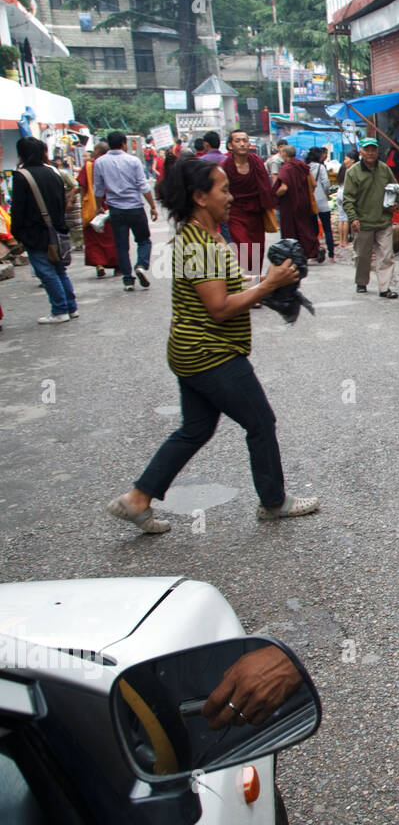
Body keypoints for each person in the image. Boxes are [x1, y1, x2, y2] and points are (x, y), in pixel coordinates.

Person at [106, 158, 320, 535]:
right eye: (223, 189)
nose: (231, 196)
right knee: (261, 423)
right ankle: (274, 502)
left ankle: (136, 500)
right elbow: (219, 308)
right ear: (200, 197)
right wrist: (268, 286)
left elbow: (227, 288)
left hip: (191, 353)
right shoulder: (199, 244)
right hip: (210, 354)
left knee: (195, 430)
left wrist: (269, 284)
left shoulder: (206, 237)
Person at [10, 137, 79, 325]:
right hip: (57, 229)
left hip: (35, 233)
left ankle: (60, 310)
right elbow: (60, 201)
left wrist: (17, 234)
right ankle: (71, 307)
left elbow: (18, 209)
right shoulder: (54, 172)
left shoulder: (22, 176)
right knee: (59, 270)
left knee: (47, 272)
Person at [95, 131, 157, 291]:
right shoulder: (133, 161)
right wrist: (153, 206)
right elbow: (143, 186)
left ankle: (128, 279)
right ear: (124, 143)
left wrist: (98, 207)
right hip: (135, 207)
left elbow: (98, 189)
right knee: (144, 240)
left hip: (115, 209)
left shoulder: (100, 162)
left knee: (121, 245)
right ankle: (141, 265)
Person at [342, 137, 398, 298]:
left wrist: (396, 202)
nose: (370, 153)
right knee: (362, 256)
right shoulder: (353, 172)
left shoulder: (384, 169)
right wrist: (353, 218)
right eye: (367, 150)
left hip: (383, 220)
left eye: (373, 149)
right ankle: (361, 281)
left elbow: (395, 189)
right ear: (361, 151)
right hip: (363, 222)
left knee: (386, 255)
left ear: (377, 151)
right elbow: (348, 199)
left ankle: (384, 288)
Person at [221, 130, 276, 273]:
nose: (242, 144)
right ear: (230, 145)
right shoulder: (226, 166)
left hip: (256, 211)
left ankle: (254, 281)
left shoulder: (256, 161)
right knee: (243, 248)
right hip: (236, 213)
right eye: (238, 141)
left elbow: (265, 186)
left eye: (245, 141)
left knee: (257, 248)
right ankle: (244, 283)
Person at [77, 141, 119, 278]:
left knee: (93, 237)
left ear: (98, 151)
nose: (92, 153)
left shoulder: (89, 166)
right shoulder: (113, 164)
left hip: (94, 206)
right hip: (111, 203)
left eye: (94, 150)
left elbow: (82, 185)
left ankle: (99, 264)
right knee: (113, 236)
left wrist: (84, 202)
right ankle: (118, 267)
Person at [272, 144, 320, 261]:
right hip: (304, 202)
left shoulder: (287, 168)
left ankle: (292, 254)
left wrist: (274, 195)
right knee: (305, 228)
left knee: (291, 230)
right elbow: (314, 184)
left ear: (284, 154)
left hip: (290, 204)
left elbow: (284, 188)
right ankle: (314, 250)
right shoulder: (302, 165)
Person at [307, 147, 335, 262]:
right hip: (322, 201)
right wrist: (326, 193)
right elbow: (326, 183)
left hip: (311, 202)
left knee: (313, 230)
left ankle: (315, 253)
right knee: (327, 228)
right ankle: (331, 255)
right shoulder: (321, 167)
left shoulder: (305, 167)